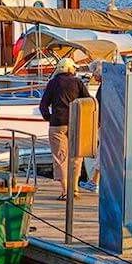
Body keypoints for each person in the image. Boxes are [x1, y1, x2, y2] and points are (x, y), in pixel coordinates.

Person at [39, 58, 91, 200]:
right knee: (76, 156)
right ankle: (74, 188)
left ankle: (65, 191)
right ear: (70, 69)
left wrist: (49, 117)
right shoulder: (78, 82)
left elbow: (43, 105)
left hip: (57, 124)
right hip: (75, 122)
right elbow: (88, 101)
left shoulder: (53, 83)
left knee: (61, 157)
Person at [78, 61, 103, 193]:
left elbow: (103, 105)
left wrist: (98, 122)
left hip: (105, 125)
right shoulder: (107, 86)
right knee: (102, 152)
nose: (93, 76)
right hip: (108, 125)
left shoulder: (104, 87)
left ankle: (95, 181)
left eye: (94, 73)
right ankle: (95, 180)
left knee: (102, 152)